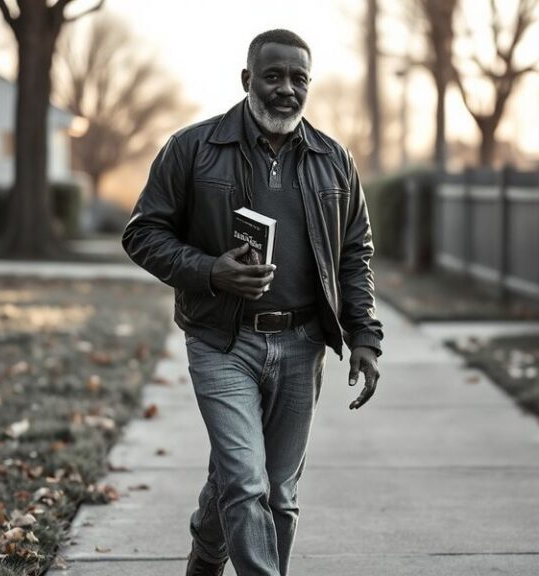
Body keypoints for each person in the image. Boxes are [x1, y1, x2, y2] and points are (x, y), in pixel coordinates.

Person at [121, 29, 383, 576]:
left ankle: (206, 558)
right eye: (273, 75)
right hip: (222, 340)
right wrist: (211, 271)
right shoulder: (192, 148)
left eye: (299, 78)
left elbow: (354, 253)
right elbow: (142, 233)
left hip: (303, 342)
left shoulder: (334, 159)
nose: (287, 88)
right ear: (247, 80)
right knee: (246, 481)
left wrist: (364, 336)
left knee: (276, 493)